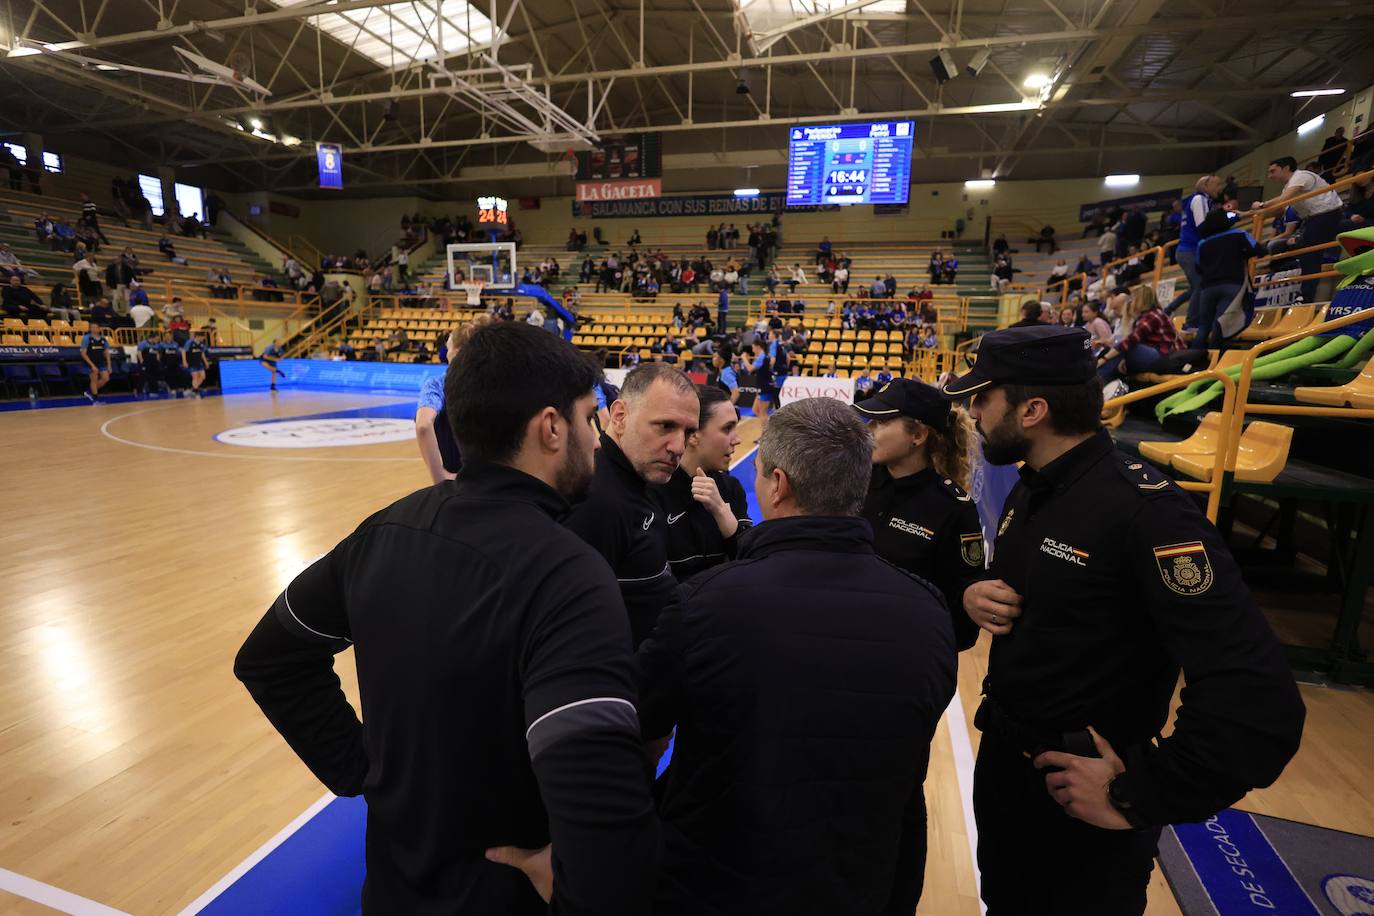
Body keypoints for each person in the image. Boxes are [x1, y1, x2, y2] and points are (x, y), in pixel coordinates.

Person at [235, 321, 659, 915]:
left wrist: (362, 769)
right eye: (590, 417)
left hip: (392, 888)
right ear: (551, 427)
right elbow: (599, 805)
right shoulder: (570, 576)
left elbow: (270, 660)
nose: (597, 438)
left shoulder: (381, 532)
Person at [939, 325, 1305, 915]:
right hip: (1009, 767)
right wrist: (974, 594)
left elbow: (1259, 701)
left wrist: (1140, 793)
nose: (973, 411)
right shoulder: (1033, 488)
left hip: (1084, 802)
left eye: (983, 397)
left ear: (1033, 410)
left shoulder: (1150, 515)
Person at [634, 397, 956, 915]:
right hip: (865, 884)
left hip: (721, 884)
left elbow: (643, 731)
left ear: (777, 485)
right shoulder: (928, 610)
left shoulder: (704, 603)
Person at [564, 363, 699, 647]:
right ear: (620, 416)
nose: (679, 447)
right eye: (666, 426)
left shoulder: (638, 479)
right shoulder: (598, 500)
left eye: (688, 433)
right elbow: (575, 630)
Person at [651, 384, 752, 580]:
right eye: (727, 428)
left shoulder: (731, 488)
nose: (737, 439)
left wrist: (722, 511)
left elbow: (749, 563)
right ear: (694, 433)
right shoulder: (654, 491)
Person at [1252, 156, 1346, 303]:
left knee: (1309, 253)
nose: (1270, 176)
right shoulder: (1288, 186)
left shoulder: (1301, 176)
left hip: (1326, 215)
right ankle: (1305, 294)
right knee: (1302, 250)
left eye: (1273, 171)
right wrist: (1247, 213)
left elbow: (1284, 199)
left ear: (1286, 168)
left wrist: (1262, 205)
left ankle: (1306, 297)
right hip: (1314, 219)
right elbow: (1279, 210)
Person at [415, 319, 490, 484]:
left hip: (458, 481)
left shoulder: (439, 384)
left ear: (458, 351)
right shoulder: (497, 382)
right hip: (497, 481)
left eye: (448, 348)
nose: (446, 353)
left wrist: (439, 476)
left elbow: (423, 425)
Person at [1192, 208, 1265, 349]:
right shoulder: (1238, 234)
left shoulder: (1202, 243)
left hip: (1208, 288)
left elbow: (1198, 268)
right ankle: (1214, 362)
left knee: (1203, 327)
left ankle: (1193, 359)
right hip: (1232, 284)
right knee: (1220, 325)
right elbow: (1258, 250)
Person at [1096, 285, 1182, 378]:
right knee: (1112, 352)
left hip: (1166, 355)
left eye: (1132, 299)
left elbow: (1131, 340)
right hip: (1156, 353)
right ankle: (1100, 379)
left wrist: (1104, 359)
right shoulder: (1143, 317)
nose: (1130, 303)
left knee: (1126, 348)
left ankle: (1099, 380)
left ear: (1140, 300)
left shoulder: (1153, 315)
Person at [1170, 175, 1221, 322]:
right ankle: (1191, 321)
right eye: (1216, 184)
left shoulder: (1196, 200)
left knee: (1195, 287)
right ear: (1206, 186)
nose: (1219, 188)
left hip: (1186, 250)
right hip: (1190, 250)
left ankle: (1169, 309)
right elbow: (1203, 226)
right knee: (1200, 284)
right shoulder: (1200, 199)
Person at [80, 323, 112, 403]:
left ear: (99, 329)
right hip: (90, 362)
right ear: (90, 329)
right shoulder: (87, 338)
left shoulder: (103, 339)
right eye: (92, 327)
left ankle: (89, 392)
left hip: (101, 361)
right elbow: (83, 353)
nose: (94, 329)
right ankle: (95, 398)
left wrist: (109, 365)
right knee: (94, 379)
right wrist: (92, 365)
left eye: (96, 327)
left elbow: (107, 353)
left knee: (106, 378)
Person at [182, 331, 210, 398]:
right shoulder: (189, 342)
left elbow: (202, 353)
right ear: (197, 336)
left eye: (203, 337)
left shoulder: (202, 343)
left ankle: (193, 390)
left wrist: (206, 362)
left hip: (199, 362)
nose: (203, 339)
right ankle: (196, 393)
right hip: (192, 362)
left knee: (203, 377)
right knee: (195, 377)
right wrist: (184, 361)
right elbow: (183, 351)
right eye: (202, 337)